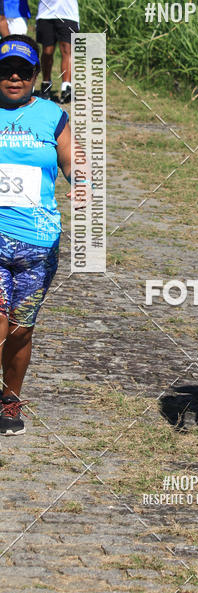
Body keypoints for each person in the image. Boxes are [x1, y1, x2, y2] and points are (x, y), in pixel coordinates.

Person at [0, 35, 72, 435]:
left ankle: (9, 400)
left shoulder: (51, 116)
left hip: (38, 243)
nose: (14, 77)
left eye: (23, 71)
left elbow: (72, 162)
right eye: (5, 69)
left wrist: (81, 181)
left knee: (21, 329)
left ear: (33, 76)